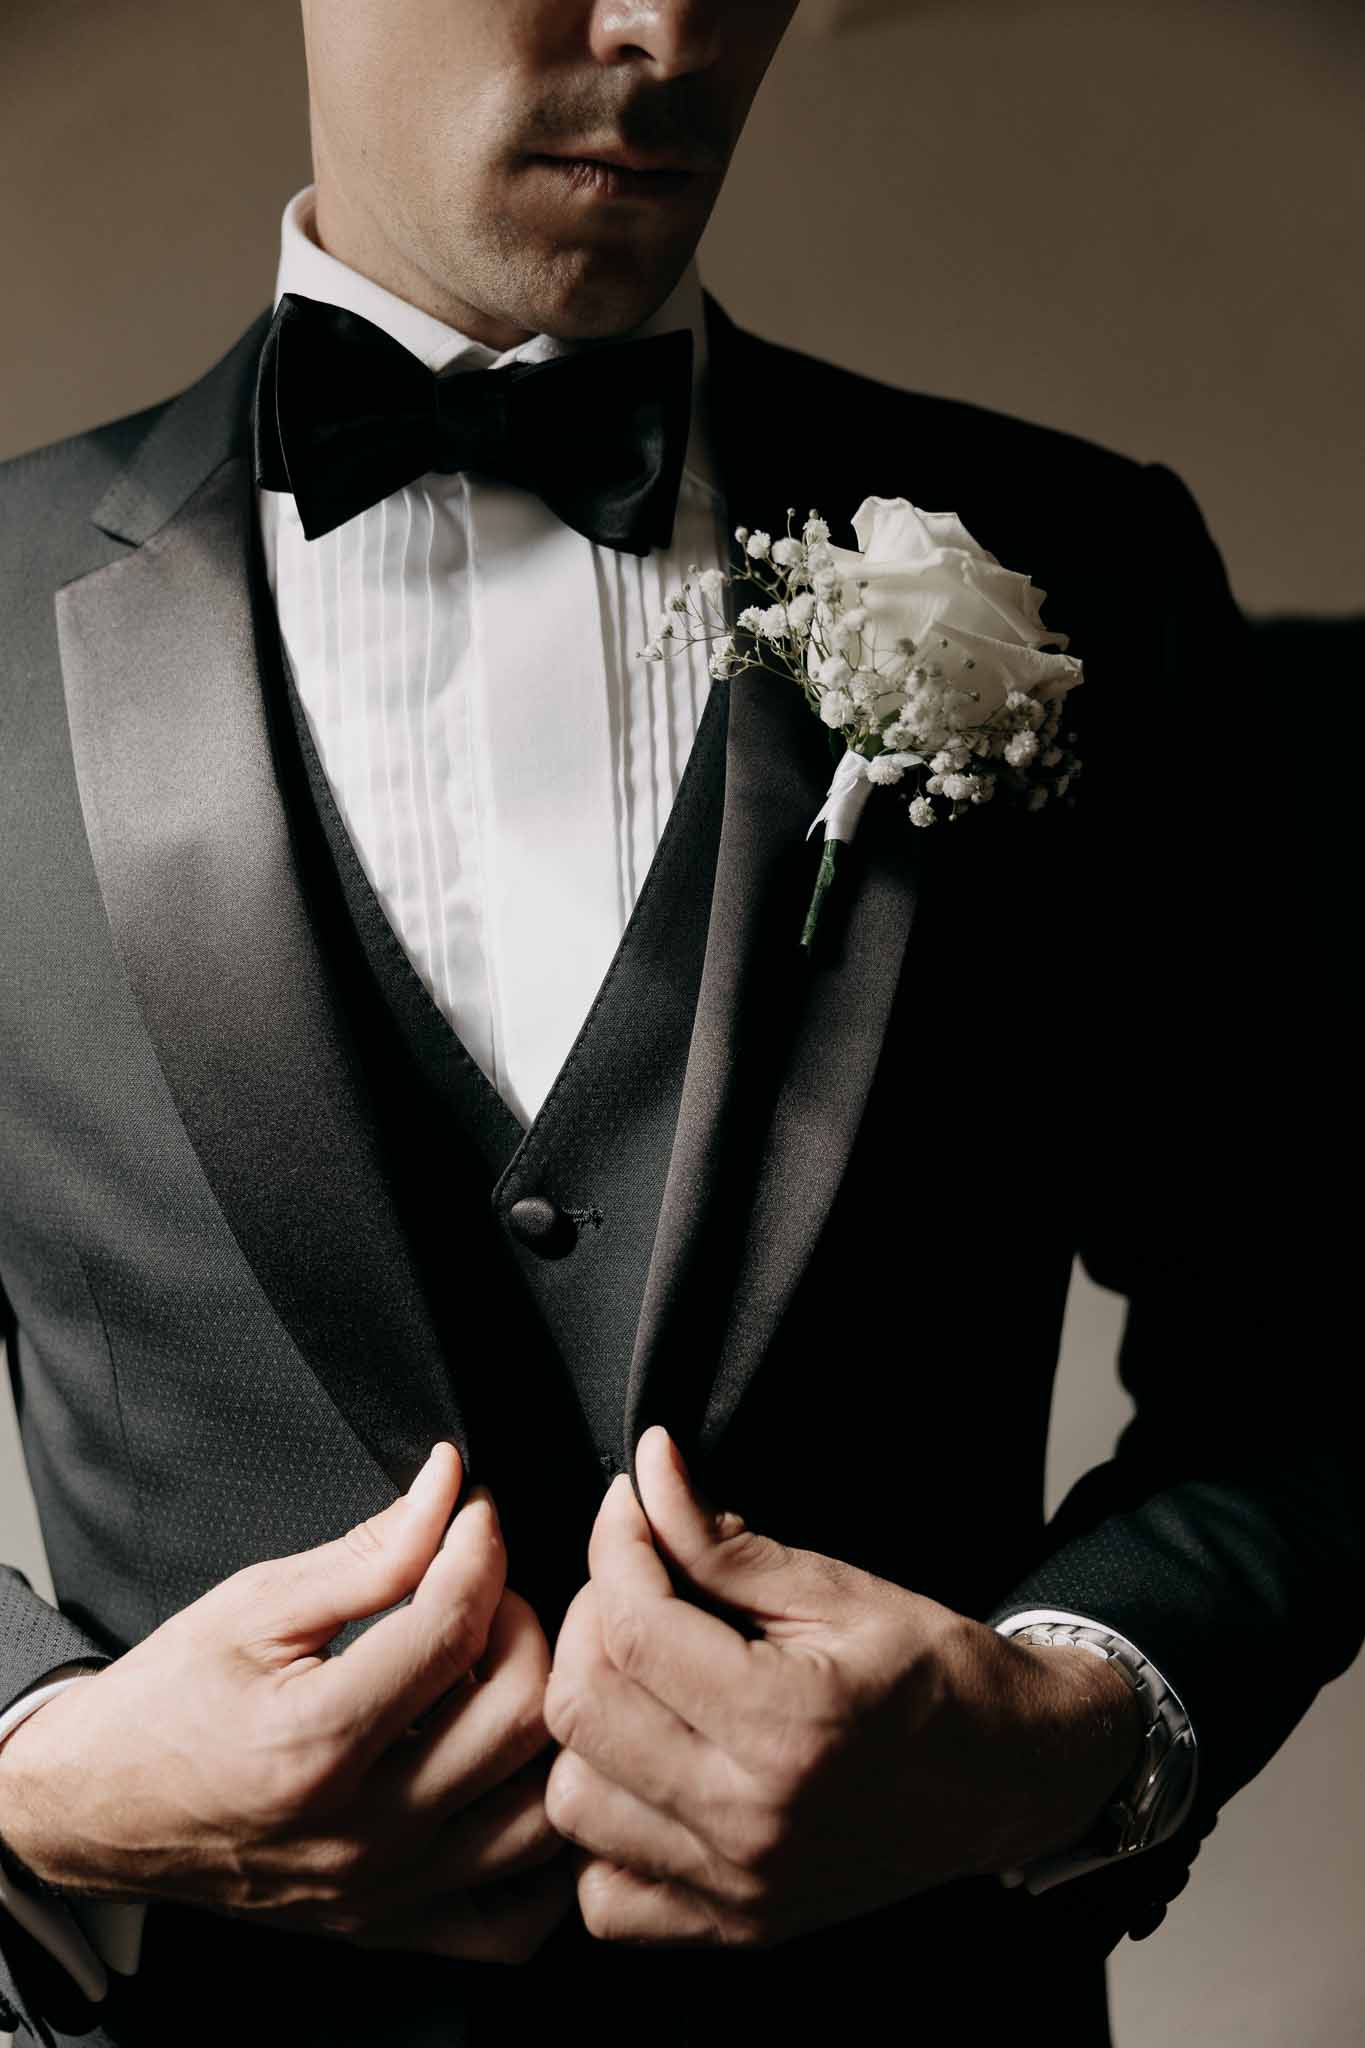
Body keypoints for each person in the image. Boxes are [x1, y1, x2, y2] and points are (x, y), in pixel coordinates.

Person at [0, 3, 1356, 2044]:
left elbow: (1319, 1339)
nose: (668, 22)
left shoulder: (1084, 571)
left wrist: (1066, 1721)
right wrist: (38, 1773)